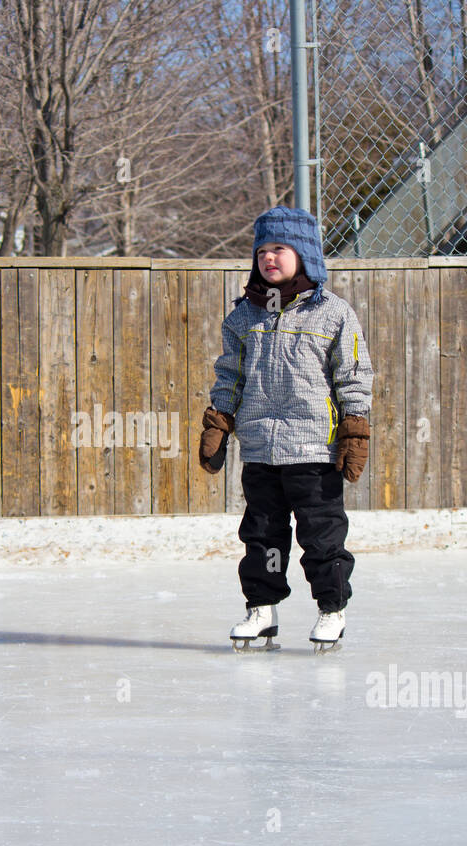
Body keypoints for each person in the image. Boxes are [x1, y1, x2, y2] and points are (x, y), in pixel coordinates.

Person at [200, 206, 374, 650]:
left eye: (280, 248)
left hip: (315, 450)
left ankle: (331, 610)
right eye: (262, 251)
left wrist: (354, 430)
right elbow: (230, 375)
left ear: (305, 255)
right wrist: (219, 422)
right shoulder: (243, 317)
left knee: (321, 537)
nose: (269, 258)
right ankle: (262, 609)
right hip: (260, 450)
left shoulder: (332, 314)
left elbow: (352, 373)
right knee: (262, 536)